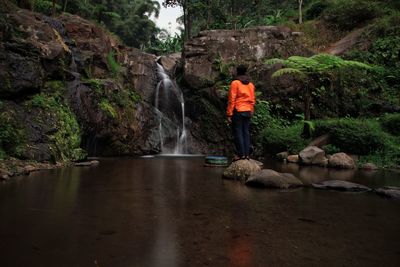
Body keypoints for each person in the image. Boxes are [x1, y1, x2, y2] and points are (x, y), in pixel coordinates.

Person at [226, 64, 256, 161]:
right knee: (246, 132)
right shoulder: (250, 84)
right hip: (247, 111)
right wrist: (251, 110)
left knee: (238, 132)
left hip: (238, 110)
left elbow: (232, 99)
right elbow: (252, 99)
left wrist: (229, 113)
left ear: (237, 72)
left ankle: (241, 154)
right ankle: (246, 154)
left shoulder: (235, 83)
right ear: (246, 72)